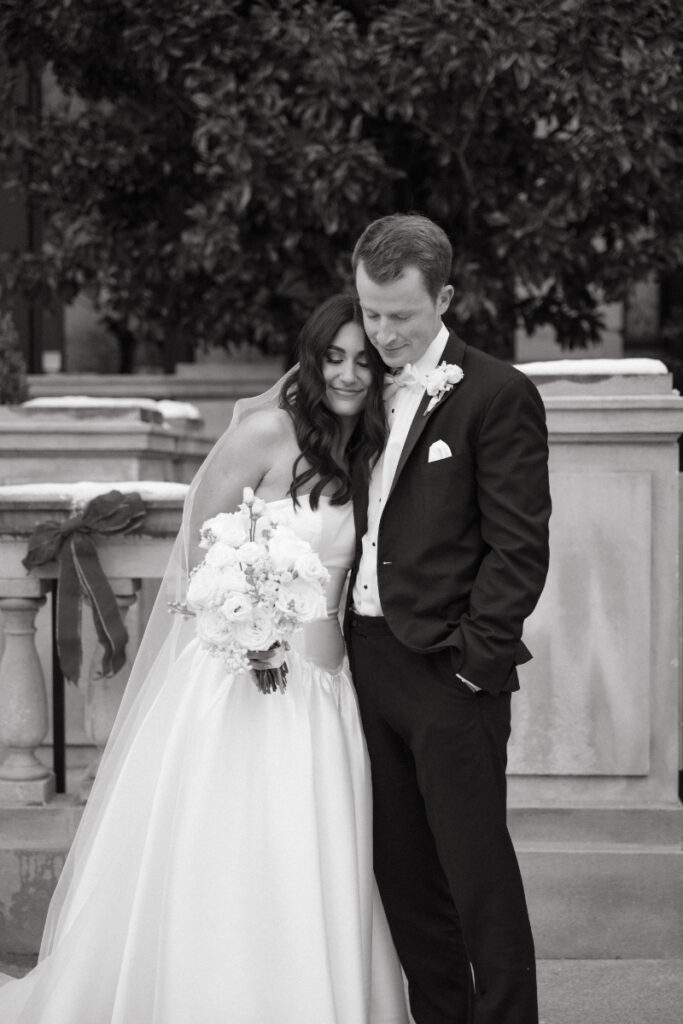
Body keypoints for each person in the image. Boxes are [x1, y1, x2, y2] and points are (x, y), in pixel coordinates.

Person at [0, 295, 410, 1024]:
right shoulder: (263, 432)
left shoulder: (370, 447)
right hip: (241, 684)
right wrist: (250, 617)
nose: (348, 373)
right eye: (334, 356)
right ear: (311, 360)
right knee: (228, 851)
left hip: (327, 690)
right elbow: (198, 558)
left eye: (363, 360)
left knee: (311, 858)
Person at [346, 214, 551, 1024]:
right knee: (402, 875)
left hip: (448, 673)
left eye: (401, 315)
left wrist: (474, 664)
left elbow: (518, 548)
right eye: (369, 312)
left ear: (446, 298)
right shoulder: (353, 390)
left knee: (475, 876)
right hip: (364, 664)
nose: (383, 333)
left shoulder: (497, 394)